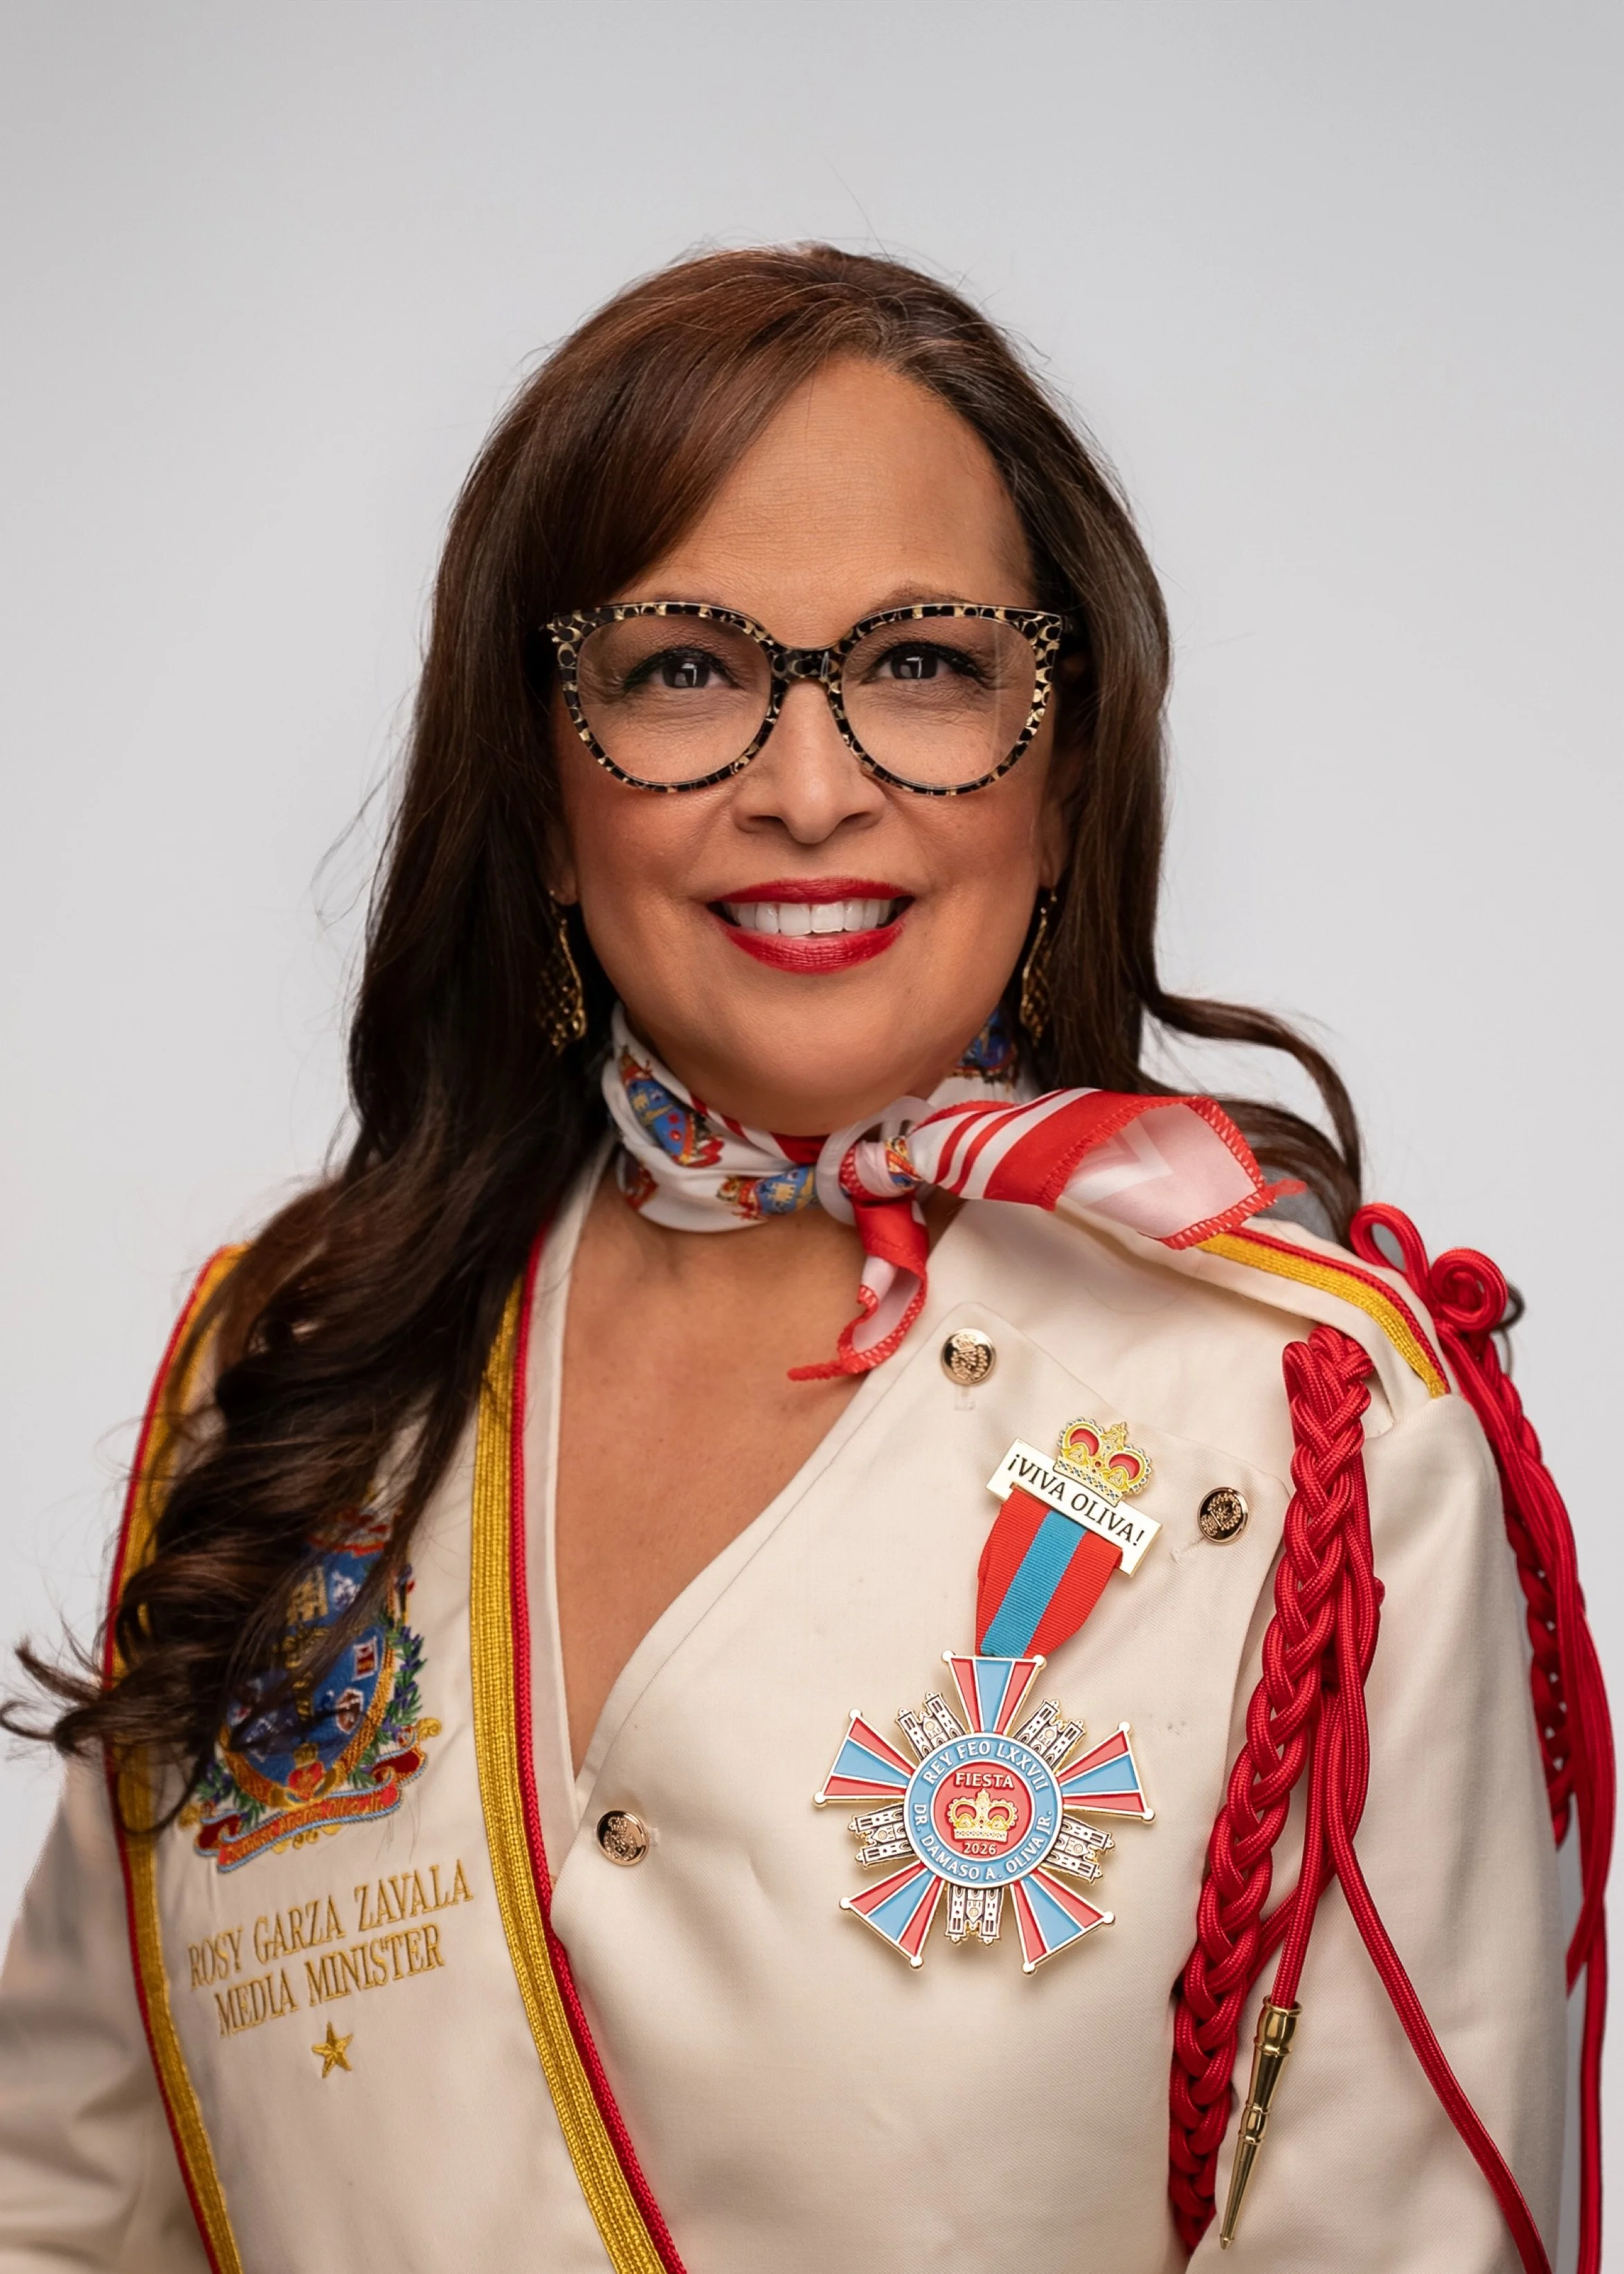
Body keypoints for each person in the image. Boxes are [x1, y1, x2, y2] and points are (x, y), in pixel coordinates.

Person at [0, 245, 1607, 2274]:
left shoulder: (1315, 1432)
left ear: (1065, 765)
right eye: (686, 668)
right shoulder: (294, 1373)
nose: (812, 782)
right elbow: (61, 2208)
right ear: (545, 789)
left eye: (926, 662)